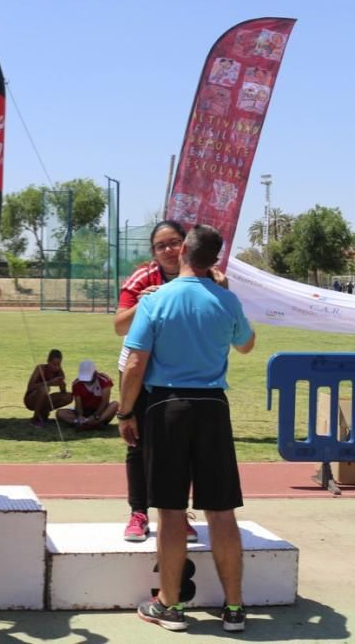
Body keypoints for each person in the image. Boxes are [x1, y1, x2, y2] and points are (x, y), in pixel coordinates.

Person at [118, 225, 255, 633]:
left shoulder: (158, 299)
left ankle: (170, 606)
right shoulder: (226, 299)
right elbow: (246, 344)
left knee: (172, 512)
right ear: (214, 262)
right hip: (213, 406)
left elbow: (135, 363)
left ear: (182, 255)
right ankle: (234, 608)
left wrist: (126, 412)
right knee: (221, 511)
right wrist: (225, 296)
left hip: (167, 406)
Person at [113, 220, 198, 543]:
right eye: (161, 245)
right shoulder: (143, 277)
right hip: (140, 371)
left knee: (181, 446)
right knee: (137, 443)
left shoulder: (201, 275)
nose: (168, 250)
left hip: (181, 373)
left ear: (186, 244)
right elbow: (120, 326)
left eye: (174, 242)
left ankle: (178, 513)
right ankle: (138, 513)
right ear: (153, 252)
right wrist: (142, 304)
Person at [55, 360, 119, 431]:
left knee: (115, 404)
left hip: (100, 412)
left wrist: (95, 416)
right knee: (60, 413)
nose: (86, 381)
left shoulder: (105, 380)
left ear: (95, 373)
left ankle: (95, 422)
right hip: (85, 411)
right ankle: (81, 423)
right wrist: (80, 416)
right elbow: (78, 405)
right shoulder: (76, 384)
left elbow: (105, 402)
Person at [23, 349, 71, 427]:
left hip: (44, 399)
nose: (56, 367)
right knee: (44, 389)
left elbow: (63, 393)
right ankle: (35, 418)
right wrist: (49, 383)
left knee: (68, 397)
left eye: (58, 364)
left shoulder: (59, 372)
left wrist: (62, 386)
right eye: (54, 364)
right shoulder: (40, 368)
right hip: (31, 400)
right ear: (48, 361)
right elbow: (30, 387)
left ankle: (44, 412)